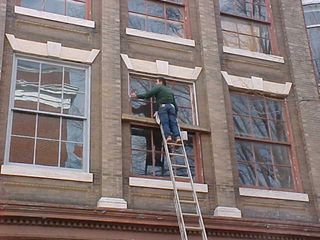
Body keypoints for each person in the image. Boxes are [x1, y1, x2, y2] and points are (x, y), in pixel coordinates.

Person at [131, 78, 181, 144]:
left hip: (163, 107)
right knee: (173, 123)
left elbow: (148, 95)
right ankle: (178, 137)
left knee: (165, 122)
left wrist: (137, 96)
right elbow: (175, 105)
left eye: (156, 82)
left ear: (161, 82)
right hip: (171, 107)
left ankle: (168, 136)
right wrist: (175, 114)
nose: (156, 83)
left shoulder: (158, 87)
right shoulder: (170, 91)